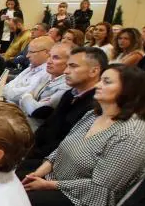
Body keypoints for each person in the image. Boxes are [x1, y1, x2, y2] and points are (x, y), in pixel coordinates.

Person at [23, 64, 145, 206]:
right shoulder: (92, 115)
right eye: (100, 80)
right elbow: (60, 150)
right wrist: (38, 173)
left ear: (129, 89)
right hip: (59, 179)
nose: (98, 85)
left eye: (106, 82)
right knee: (13, 172)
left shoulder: (131, 135)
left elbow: (100, 187)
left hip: (88, 200)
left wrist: (48, 185)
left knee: (21, 200)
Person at [17, 47, 106, 178]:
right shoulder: (70, 94)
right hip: (40, 154)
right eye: (67, 66)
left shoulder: (96, 105)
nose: (66, 71)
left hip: (58, 166)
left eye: (73, 66)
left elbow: (68, 144)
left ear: (94, 71)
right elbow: (48, 126)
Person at [18, 43, 72, 131]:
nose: (49, 61)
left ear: (69, 62)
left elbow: (36, 111)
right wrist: (29, 98)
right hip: (23, 123)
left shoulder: (66, 86)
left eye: (56, 58)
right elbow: (24, 98)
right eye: (49, 56)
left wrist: (27, 96)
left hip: (37, 131)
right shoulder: (46, 75)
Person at [2, 37, 53, 104]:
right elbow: (11, 84)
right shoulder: (31, 67)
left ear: (46, 53)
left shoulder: (47, 73)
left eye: (31, 52)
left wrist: (5, 91)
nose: (27, 56)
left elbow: (21, 95)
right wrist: (6, 90)